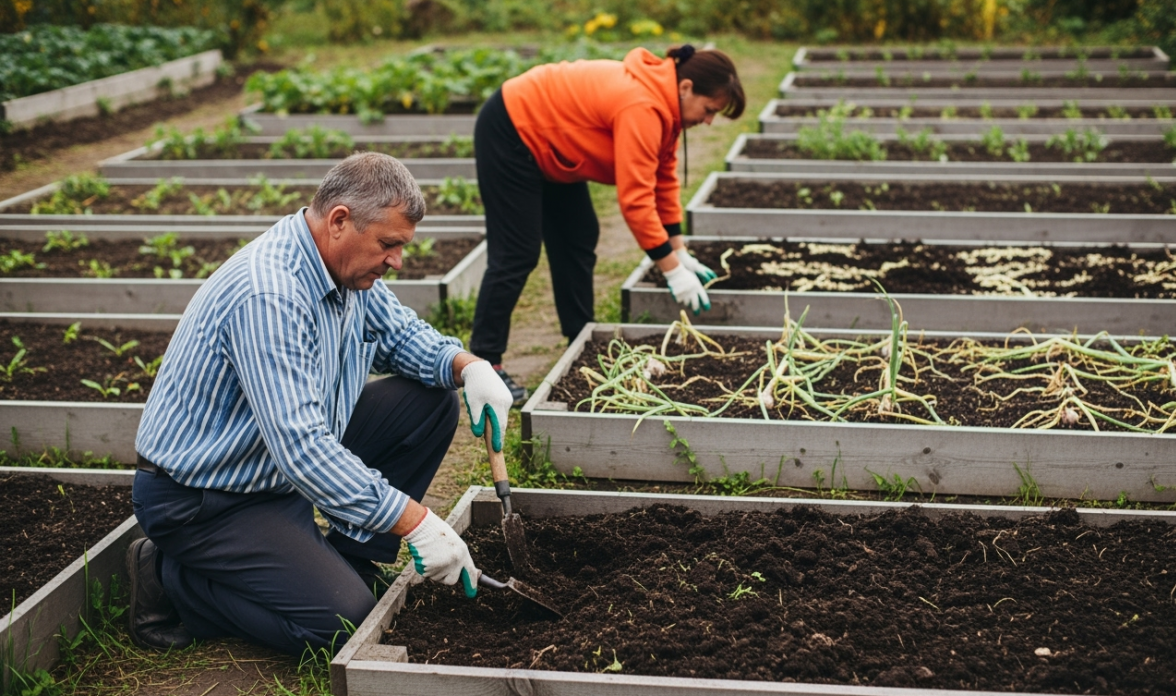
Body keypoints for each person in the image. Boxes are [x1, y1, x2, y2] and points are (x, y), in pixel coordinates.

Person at [127, 152, 513, 655]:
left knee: (430, 402)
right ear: (339, 221)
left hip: (270, 471)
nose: (397, 261)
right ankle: (169, 576)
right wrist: (414, 522)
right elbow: (302, 448)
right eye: (389, 244)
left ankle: (347, 560)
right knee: (345, 625)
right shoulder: (269, 295)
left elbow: (398, 336)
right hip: (207, 498)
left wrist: (468, 367)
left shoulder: (344, 269)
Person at [470, 44, 746, 403]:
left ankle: (580, 339)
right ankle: (485, 362)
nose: (708, 121)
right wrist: (672, 271)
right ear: (686, 87)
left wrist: (680, 251)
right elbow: (636, 201)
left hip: (553, 142)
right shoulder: (643, 105)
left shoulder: (667, 109)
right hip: (512, 128)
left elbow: (662, 180)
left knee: (578, 234)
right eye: (709, 110)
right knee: (517, 252)